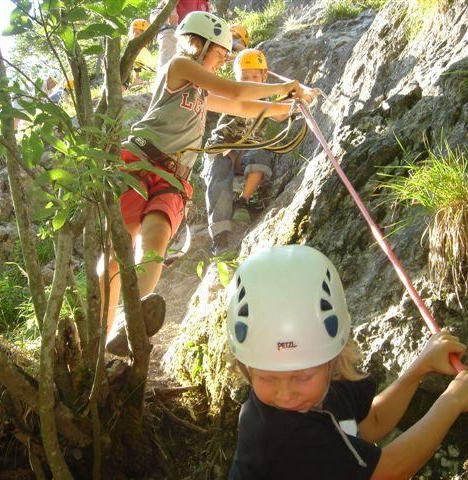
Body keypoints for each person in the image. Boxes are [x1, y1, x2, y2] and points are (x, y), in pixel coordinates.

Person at [102, 12, 319, 356]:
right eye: (220, 54)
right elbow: (233, 89)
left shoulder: (202, 91)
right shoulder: (179, 67)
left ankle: (130, 323)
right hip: (142, 161)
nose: (222, 61)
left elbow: (240, 104)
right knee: (117, 252)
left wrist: (290, 107)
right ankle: (99, 331)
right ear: (200, 45)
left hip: (173, 177)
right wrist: (284, 87)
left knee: (155, 241)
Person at [226, 244, 468, 479]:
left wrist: (419, 368)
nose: (285, 394)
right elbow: (391, 471)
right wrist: (452, 401)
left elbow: (370, 424)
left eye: (302, 377)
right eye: (267, 378)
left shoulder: (330, 387)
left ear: (334, 359)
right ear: (246, 368)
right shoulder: (278, 434)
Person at [202, 48, 282, 256]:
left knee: (262, 152)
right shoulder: (233, 97)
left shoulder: (266, 100)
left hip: (247, 151)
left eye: (255, 76)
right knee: (218, 174)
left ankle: (243, 201)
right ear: (237, 80)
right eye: (244, 77)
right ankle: (219, 236)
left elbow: (281, 115)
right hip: (221, 148)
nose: (250, 81)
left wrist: (298, 100)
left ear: (265, 76)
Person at [123, 19, 157, 91]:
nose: (135, 35)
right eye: (134, 32)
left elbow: (137, 63)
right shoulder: (134, 47)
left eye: (138, 33)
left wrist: (137, 76)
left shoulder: (141, 49)